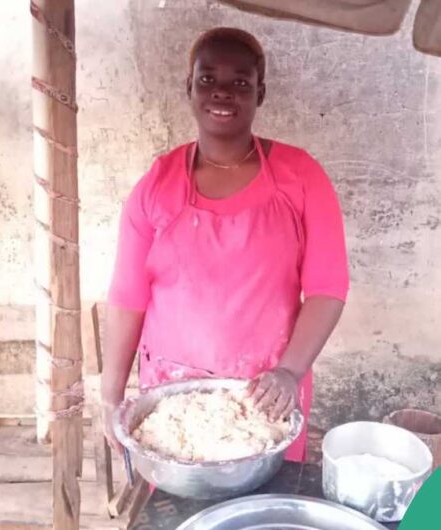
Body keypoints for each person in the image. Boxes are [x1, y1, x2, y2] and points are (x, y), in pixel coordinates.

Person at [101, 27, 348, 462]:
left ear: (260, 92)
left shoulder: (301, 177)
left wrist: (289, 371)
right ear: (190, 88)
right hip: (172, 407)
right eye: (208, 78)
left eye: (240, 82)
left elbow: (328, 287)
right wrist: (110, 397)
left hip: (264, 400)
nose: (223, 93)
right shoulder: (156, 186)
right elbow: (128, 298)